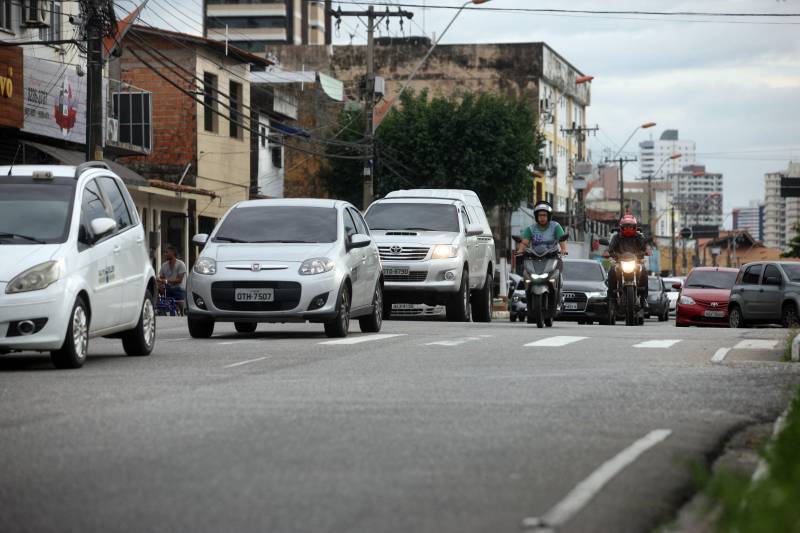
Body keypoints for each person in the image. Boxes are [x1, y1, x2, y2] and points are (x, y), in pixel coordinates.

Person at [606, 215, 651, 308]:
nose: (628, 228)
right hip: (620, 262)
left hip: (636, 262)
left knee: (644, 272)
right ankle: (612, 298)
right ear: (621, 227)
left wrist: (646, 251)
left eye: (630, 226)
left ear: (635, 227)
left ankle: (644, 299)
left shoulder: (639, 237)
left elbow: (644, 247)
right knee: (611, 271)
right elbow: (610, 249)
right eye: (626, 226)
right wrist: (609, 253)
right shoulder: (616, 237)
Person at [158, 245, 187, 315]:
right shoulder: (164, 265)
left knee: (180, 302)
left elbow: (179, 280)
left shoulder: (181, 264)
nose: (165, 254)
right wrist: (158, 284)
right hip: (168, 288)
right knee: (158, 289)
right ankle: (158, 309)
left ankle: (183, 312)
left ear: (173, 253)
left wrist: (166, 281)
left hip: (179, 288)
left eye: (167, 252)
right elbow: (161, 278)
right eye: (165, 253)